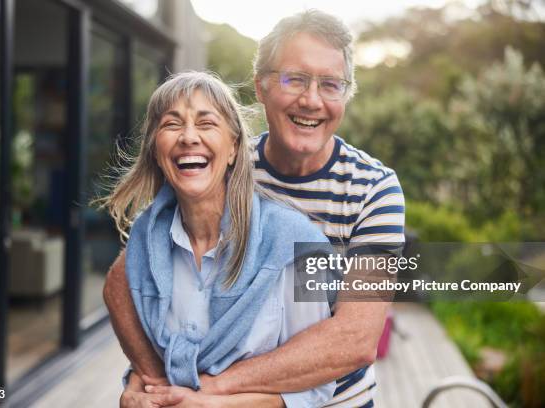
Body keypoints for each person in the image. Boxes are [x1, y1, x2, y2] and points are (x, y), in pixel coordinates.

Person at [104, 10, 405, 407]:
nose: (311, 100)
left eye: (330, 85)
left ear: (345, 96)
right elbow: (127, 279)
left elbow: (355, 339)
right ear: (261, 87)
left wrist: (210, 389)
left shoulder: (374, 189)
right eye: (294, 79)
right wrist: (149, 377)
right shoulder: (217, 162)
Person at [101, 70, 336, 407]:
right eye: (171, 124)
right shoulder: (145, 242)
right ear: (156, 150)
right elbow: (158, 358)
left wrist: (214, 404)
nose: (188, 137)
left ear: (233, 148)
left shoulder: (298, 244)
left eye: (206, 123)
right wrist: (135, 392)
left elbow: (316, 388)